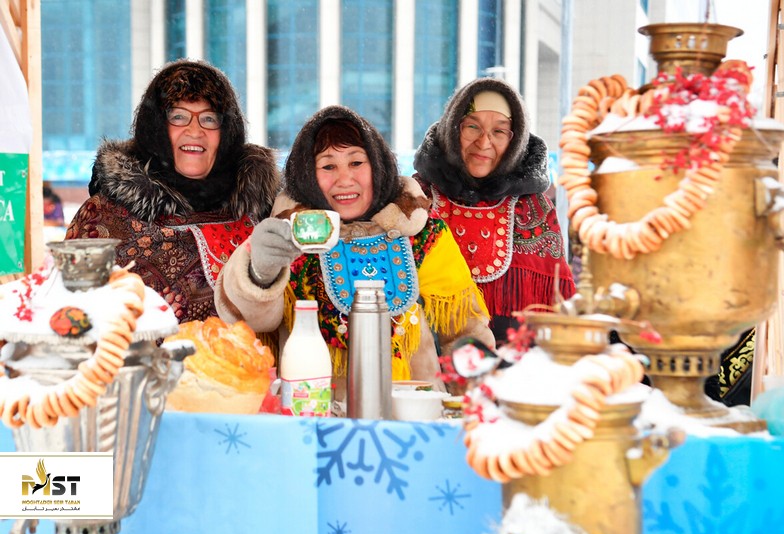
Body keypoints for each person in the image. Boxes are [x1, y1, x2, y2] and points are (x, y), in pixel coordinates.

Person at [215, 105, 495, 400]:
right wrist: (260, 271)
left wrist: (478, 403)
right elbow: (248, 324)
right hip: (315, 415)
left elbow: (466, 333)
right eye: (328, 166)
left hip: (415, 415)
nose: (344, 179)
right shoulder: (287, 237)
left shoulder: (422, 235)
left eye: (356, 162)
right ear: (308, 175)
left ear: (378, 166)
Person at [66, 60, 281, 323]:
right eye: (178, 116)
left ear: (227, 132)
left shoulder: (262, 211)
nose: (195, 131)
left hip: (248, 351)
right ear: (156, 126)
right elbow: (70, 316)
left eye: (209, 118)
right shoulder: (103, 217)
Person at [413, 78, 576, 343]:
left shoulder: (534, 209)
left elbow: (556, 312)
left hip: (513, 362)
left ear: (515, 141)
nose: (484, 142)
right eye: (472, 127)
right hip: (427, 360)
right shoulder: (417, 198)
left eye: (499, 131)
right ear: (452, 130)